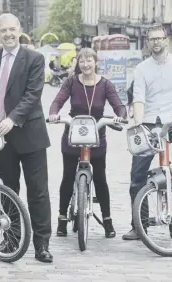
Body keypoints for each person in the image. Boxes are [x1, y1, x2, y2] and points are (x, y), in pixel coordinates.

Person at [0, 13, 53, 263]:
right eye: (3, 31)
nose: (8, 34)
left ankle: (42, 244)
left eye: (12, 29)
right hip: (1, 137)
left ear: (20, 29)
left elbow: (33, 95)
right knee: (7, 189)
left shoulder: (34, 58)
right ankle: (12, 238)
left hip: (29, 134)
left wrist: (12, 118)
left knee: (38, 192)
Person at [123, 23, 172, 241]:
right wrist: (138, 122)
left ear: (167, 40)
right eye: (152, 39)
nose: (156, 42)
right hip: (149, 122)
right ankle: (139, 225)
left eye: (159, 38)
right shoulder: (142, 69)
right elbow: (139, 99)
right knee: (137, 177)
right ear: (147, 42)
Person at [48, 48, 127, 239]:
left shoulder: (105, 84)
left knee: (100, 178)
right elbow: (58, 101)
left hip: (97, 136)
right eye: (82, 61)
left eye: (89, 60)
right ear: (78, 64)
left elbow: (119, 105)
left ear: (95, 62)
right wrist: (53, 114)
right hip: (73, 136)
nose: (85, 65)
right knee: (67, 177)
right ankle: (62, 220)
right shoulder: (71, 82)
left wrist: (120, 117)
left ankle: (107, 221)